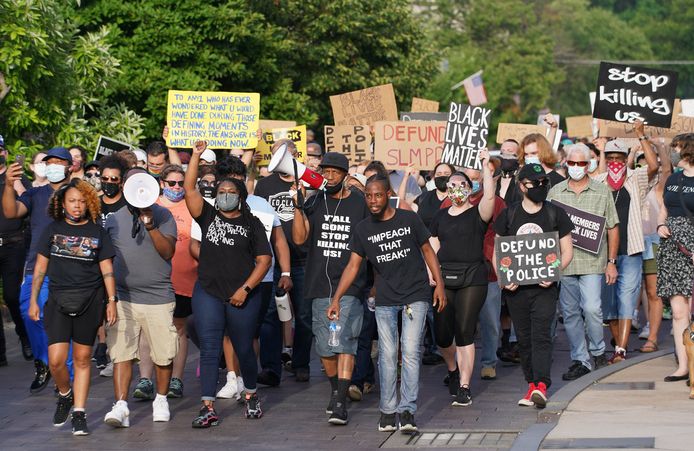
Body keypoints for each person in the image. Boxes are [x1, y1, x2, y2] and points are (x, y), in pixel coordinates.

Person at [329, 174, 446, 433]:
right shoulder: (362, 229)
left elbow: (428, 250)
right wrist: (336, 297)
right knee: (387, 355)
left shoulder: (408, 218)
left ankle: (407, 410)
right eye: (369, 195)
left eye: (378, 195)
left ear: (387, 194)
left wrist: (439, 284)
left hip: (415, 294)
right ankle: (388, 411)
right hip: (385, 298)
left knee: (411, 352)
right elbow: (353, 266)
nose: (373, 200)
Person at [185, 141, 271, 426]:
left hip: (243, 296)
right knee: (209, 348)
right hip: (209, 291)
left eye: (230, 192)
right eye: (221, 192)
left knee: (244, 347)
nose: (224, 196)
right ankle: (208, 406)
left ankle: (251, 394)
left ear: (241, 197)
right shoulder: (208, 216)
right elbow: (189, 190)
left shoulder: (253, 223)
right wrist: (195, 157)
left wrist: (245, 289)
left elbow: (264, 261)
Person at [28, 179, 117, 435]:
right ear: (62, 204)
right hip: (58, 300)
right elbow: (40, 269)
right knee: (56, 361)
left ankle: (79, 412)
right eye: (72, 201)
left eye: (81, 201)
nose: (77, 206)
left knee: (81, 359)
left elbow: (107, 270)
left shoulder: (97, 233)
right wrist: (34, 300)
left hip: (90, 300)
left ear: (88, 203)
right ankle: (65, 394)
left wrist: (112, 302)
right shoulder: (52, 230)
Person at [292, 152, 370, 425]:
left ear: (346, 176)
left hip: (351, 285)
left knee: (346, 339)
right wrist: (298, 208)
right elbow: (300, 239)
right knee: (325, 347)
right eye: (325, 172)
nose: (329, 176)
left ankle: (339, 402)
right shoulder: (315, 201)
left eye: (335, 172)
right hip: (318, 285)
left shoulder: (359, 203)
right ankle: (337, 388)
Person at [494, 163, 574, 408]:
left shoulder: (555, 213)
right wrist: (505, 279)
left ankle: (541, 384)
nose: (539, 188)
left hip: (545, 288)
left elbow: (566, 250)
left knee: (541, 335)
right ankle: (531, 384)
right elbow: (497, 252)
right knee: (525, 338)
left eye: (543, 184)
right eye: (534, 184)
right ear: (521, 186)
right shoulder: (509, 214)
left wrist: (554, 271)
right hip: (516, 290)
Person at [103, 168, 178, 428]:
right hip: (124, 297)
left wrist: (151, 226)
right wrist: (109, 298)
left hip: (158, 297)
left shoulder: (164, 215)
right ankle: (121, 405)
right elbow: (105, 259)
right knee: (121, 353)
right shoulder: (113, 219)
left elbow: (168, 252)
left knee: (163, 354)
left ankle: (160, 399)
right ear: (125, 186)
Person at [210, 155, 292, 393]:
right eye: (229, 179)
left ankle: (248, 378)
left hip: (261, 279)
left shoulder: (261, 204)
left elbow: (279, 241)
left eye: (239, 179)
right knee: (228, 330)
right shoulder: (211, 206)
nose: (235, 185)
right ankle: (232, 378)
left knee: (251, 332)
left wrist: (285, 272)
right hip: (226, 279)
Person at [3, 146, 74, 392]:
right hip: (37, 268)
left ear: (70, 166)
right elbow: (11, 212)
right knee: (29, 313)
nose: (53, 165)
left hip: (69, 269)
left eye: (58, 161)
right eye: (49, 161)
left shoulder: (78, 194)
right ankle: (44, 362)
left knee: (64, 320)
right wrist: (10, 184)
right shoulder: (35, 194)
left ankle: (66, 372)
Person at [429, 151, 495, 407]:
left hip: (472, 278)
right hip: (445, 279)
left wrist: (484, 165)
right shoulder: (440, 216)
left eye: (462, 185)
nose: (456, 189)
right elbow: (432, 249)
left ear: (471, 189)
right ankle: (452, 369)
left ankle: (465, 386)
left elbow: (489, 195)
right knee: (444, 336)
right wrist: (432, 277)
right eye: (452, 185)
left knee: (464, 331)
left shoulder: (479, 213)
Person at [547, 144, 619, 380]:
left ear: (588, 165)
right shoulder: (555, 192)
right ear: (565, 163)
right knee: (569, 313)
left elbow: (612, 228)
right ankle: (580, 359)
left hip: (593, 262)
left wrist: (611, 261)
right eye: (572, 163)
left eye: (581, 163)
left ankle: (598, 351)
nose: (576, 167)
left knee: (592, 308)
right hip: (564, 263)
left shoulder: (602, 191)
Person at [592, 129, 659, 363]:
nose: (613, 162)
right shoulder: (598, 182)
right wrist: (600, 149)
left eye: (617, 157)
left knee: (627, 299)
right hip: (603, 252)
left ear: (624, 158)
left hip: (630, 250)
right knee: (608, 303)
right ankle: (618, 342)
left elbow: (653, 166)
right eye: (609, 157)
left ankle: (620, 350)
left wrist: (641, 136)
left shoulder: (635, 177)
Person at [254, 139, 310, 382]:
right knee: (270, 314)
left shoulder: (309, 183)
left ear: (296, 155)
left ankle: (301, 364)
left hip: (304, 259)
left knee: (304, 313)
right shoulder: (264, 185)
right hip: (272, 260)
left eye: (285, 155)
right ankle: (271, 367)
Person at [155, 164, 198, 398]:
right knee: (153, 331)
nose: (177, 187)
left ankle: (176, 380)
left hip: (185, 280)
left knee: (179, 329)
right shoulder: (151, 205)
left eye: (181, 183)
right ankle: (147, 379)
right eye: (172, 183)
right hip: (156, 281)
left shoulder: (192, 205)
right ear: (162, 184)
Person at [657, 133, 694, 384]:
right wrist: (660, 224)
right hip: (672, 248)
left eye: (676, 147)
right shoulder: (672, 179)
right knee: (679, 310)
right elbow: (664, 207)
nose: (672, 152)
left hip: (691, 245)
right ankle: (684, 366)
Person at [0, 138, 33, 366]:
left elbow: (28, 205)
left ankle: (23, 336)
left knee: (12, 296)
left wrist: (15, 182)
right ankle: (1, 354)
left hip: (14, 244)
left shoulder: (19, 178)